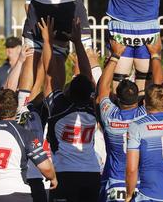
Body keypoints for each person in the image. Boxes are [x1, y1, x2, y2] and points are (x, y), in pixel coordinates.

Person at [39, 17, 101, 202]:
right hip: (91, 173)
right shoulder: (92, 107)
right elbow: (88, 75)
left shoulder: (59, 107)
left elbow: (50, 76)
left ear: (69, 90)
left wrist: (47, 41)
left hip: (64, 173)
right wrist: (77, 42)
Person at [96, 38, 147, 202]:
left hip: (115, 179)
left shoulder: (110, 117)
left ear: (117, 98)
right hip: (141, 182)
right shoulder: (145, 116)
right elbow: (156, 90)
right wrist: (153, 56)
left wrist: (115, 56)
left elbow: (102, 89)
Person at [0, 36, 23, 120]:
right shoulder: (2, 68)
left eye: (12, 47)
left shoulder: (25, 68)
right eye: (7, 47)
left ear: (19, 48)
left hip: (19, 111)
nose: (9, 49)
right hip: (1, 112)